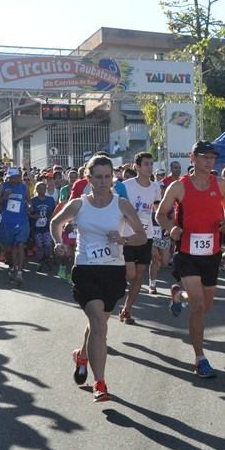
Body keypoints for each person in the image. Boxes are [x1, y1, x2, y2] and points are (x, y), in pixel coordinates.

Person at [50, 155, 147, 402]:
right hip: (85, 271)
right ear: (89, 178)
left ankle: (81, 356)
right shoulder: (78, 205)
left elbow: (141, 236)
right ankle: (100, 382)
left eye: (107, 177)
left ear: (112, 177)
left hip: (113, 272)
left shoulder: (122, 204)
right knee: (100, 327)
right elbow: (55, 223)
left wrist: (123, 240)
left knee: (98, 325)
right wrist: (58, 243)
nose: (104, 182)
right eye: (98, 177)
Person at [155, 141, 225, 378]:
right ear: (193, 158)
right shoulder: (179, 187)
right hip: (187, 253)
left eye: (212, 158)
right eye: (204, 157)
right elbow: (160, 214)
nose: (209, 162)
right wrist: (171, 228)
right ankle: (200, 359)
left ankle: (179, 295)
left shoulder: (220, 183)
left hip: (212, 253)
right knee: (198, 307)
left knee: (206, 306)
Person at [119, 152, 161, 324]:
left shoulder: (155, 187)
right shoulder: (125, 186)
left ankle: (127, 310)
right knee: (130, 273)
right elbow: (115, 207)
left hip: (146, 236)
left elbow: (158, 211)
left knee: (139, 275)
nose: (150, 167)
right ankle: (113, 289)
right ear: (137, 167)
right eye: (146, 164)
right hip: (127, 235)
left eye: (151, 164)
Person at [0, 168, 31, 285]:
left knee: (20, 246)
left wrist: (29, 206)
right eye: (11, 177)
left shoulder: (24, 187)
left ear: (19, 177)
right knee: (9, 250)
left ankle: (19, 273)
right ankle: (11, 267)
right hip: (6, 222)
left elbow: (29, 201)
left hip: (21, 221)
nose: (13, 179)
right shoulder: (2, 186)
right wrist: (4, 197)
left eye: (15, 177)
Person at [29, 181, 57, 272]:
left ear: (46, 189)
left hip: (47, 226)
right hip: (37, 227)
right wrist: (34, 216)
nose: (42, 190)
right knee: (39, 244)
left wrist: (51, 218)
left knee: (48, 243)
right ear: (36, 189)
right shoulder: (33, 200)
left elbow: (55, 211)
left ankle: (48, 259)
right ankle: (41, 261)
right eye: (39, 188)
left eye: (43, 188)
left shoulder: (50, 200)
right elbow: (28, 212)